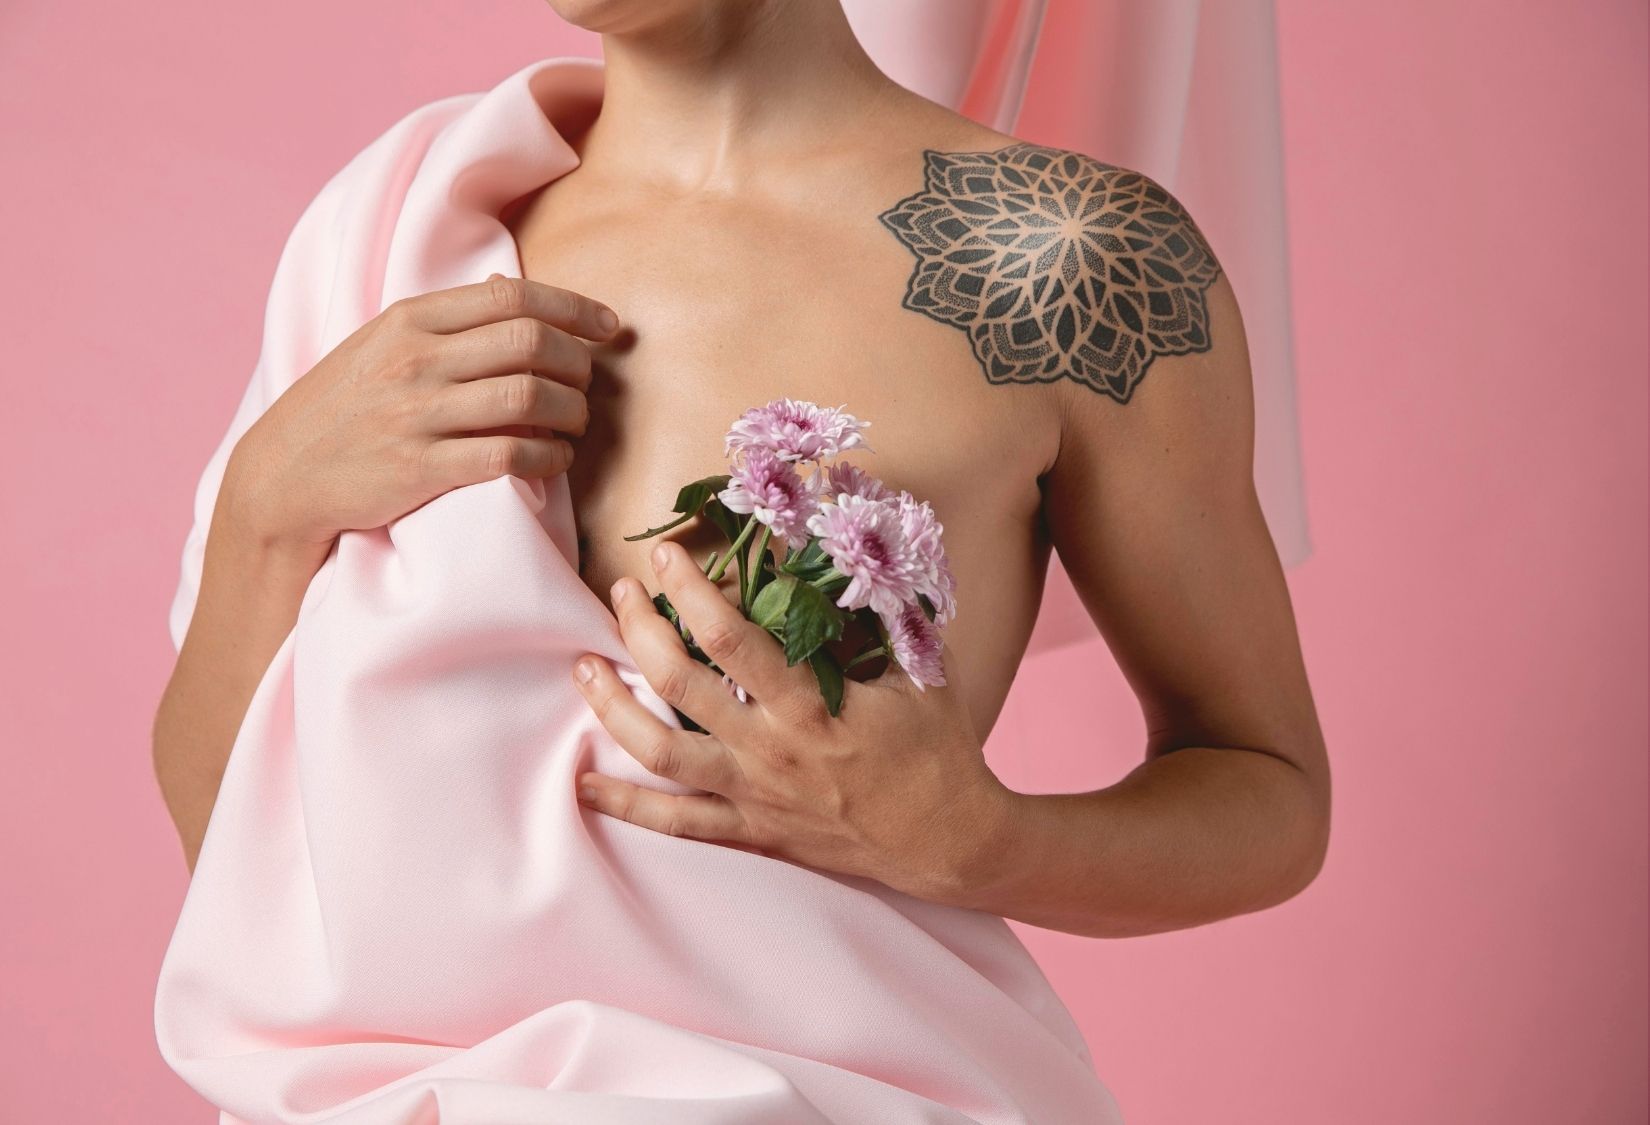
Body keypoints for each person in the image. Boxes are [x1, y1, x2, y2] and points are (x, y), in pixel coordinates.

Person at [152, 0, 1329, 943]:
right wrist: (267, 503)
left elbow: (1266, 787)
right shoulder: (403, 227)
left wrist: (985, 845)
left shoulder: (1065, 262)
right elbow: (234, 837)